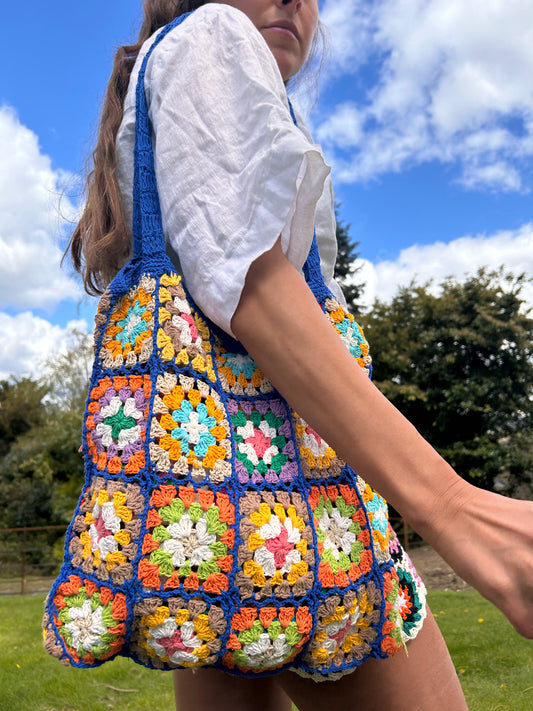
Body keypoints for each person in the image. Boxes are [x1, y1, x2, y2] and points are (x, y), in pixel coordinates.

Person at [67, 1, 533, 709]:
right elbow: (252, 285)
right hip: (307, 526)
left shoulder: (175, 69)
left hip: (207, 521)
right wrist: (453, 506)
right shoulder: (212, 36)